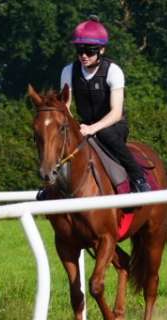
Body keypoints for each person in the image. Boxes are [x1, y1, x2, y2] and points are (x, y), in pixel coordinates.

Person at [60, 16, 151, 194]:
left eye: (89, 50)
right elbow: (66, 107)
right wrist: (73, 126)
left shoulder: (113, 71)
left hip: (113, 126)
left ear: (102, 50)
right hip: (84, 125)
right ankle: (50, 185)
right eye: (79, 50)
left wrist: (93, 128)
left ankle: (138, 176)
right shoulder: (68, 71)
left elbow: (116, 112)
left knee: (104, 133)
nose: (83, 55)